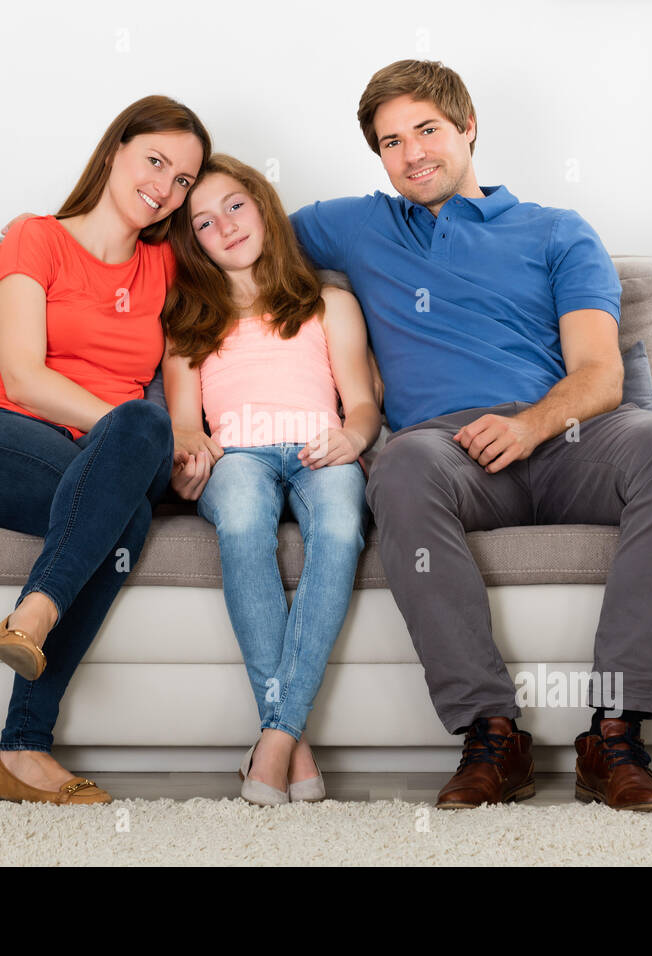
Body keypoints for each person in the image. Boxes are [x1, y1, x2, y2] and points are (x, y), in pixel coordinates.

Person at [287, 60, 652, 812]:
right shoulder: (359, 227)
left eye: (427, 130)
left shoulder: (557, 231)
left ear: (468, 127)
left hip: (573, 435)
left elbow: (599, 375)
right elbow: (240, 235)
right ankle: (493, 737)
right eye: (391, 142)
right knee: (400, 468)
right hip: (450, 452)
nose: (412, 153)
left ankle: (615, 735)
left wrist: (530, 425)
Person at [0, 95, 210, 805]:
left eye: (183, 179)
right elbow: (24, 376)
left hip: (108, 464)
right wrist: (129, 428)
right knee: (134, 457)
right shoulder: (33, 238)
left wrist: (186, 432)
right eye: (156, 161)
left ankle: (26, 685)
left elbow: (180, 366)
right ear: (116, 149)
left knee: (144, 437)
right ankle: (23, 742)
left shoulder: (164, 268)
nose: (167, 186)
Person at [162, 154, 382, 805]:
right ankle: (292, 741)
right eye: (203, 223)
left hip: (321, 446)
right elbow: (182, 424)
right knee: (241, 522)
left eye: (234, 205)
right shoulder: (187, 319)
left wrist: (354, 435)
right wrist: (190, 450)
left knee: (343, 527)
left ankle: (276, 739)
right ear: (192, 243)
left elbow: (363, 402)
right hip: (238, 458)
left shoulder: (329, 302)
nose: (225, 227)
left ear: (263, 204)